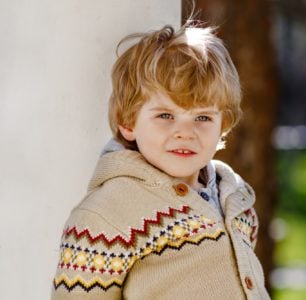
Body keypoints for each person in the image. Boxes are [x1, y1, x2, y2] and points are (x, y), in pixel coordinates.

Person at [51, 22, 270, 299]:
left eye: (202, 117)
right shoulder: (107, 213)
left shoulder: (235, 197)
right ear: (128, 122)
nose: (185, 132)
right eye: (165, 116)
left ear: (222, 124)